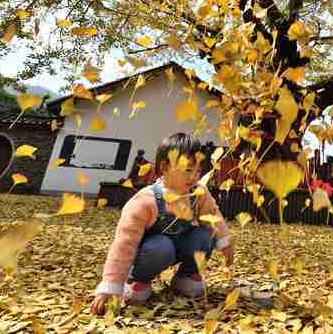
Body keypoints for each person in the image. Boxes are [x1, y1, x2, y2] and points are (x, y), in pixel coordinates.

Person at [90, 133, 233, 315]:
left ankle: (186, 275)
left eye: (198, 171)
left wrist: (225, 241)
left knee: (206, 234)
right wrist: (110, 287)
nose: (195, 177)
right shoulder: (145, 201)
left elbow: (213, 215)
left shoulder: (198, 193)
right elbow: (124, 244)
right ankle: (138, 280)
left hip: (180, 246)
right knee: (161, 245)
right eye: (188, 170)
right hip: (149, 254)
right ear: (165, 167)